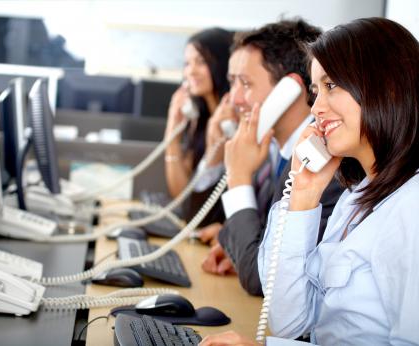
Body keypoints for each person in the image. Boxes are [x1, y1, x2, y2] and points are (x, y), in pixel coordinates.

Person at [200, 17, 419, 345]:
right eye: (315, 91)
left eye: (331, 86)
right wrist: (303, 195)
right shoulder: (355, 199)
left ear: (386, 86)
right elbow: (288, 323)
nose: (315, 108)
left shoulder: (411, 209)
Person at [200, 20, 343, 296]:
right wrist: (239, 249)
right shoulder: (274, 153)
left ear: (287, 91)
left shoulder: (324, 165)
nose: (234, 99)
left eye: (245, 83)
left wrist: (239, 179)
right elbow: (253, 242)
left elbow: (260, 278)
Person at [163, 27, 233, 226]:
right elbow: (181, 195)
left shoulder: (231, 123)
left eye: (201, 62)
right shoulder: (199, 119)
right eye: (187, 63)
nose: (190, 71)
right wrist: (172, 132)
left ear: (222, 64)